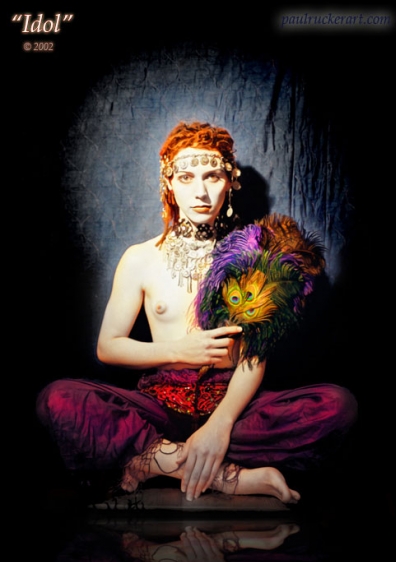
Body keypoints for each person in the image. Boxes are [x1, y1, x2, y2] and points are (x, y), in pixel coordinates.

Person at [36, 121, 358, 505]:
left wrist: (220, 425)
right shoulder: (140, 258)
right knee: (57, 399)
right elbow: (109, 347)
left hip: (233, 406)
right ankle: (226, 476)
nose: (201, 192)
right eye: (187, 178)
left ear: (230, 183)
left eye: (213, 177)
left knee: (338, 405)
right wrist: (180, 351)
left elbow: (255, 358)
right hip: (156, 407)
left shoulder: (252, 255)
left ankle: (160, 461)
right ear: (169, 184)